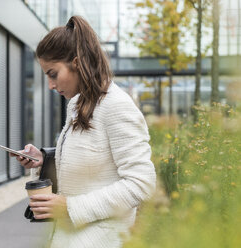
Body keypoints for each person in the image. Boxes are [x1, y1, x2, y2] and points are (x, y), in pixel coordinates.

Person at [13, 15, 156, 248]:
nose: (50, 85)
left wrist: (70, 208)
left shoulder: (116, 106)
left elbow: (142, 183)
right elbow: (89, 168)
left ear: (77, 63)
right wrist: (42, 161)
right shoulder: (78, 105)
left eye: (53, 73)